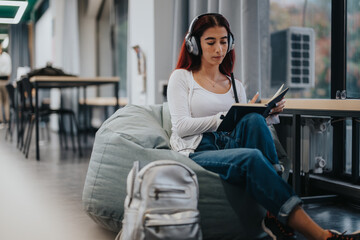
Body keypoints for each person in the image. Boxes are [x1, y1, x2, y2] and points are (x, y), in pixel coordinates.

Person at [167, 13, 360, 240]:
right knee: (250, 157)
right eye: (211, 42)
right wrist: (224, 117)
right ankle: (321, 235)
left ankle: (273, 212)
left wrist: (264, 114)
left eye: (223, 41)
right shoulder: (182, 78)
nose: (219, 49)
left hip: (230, 143)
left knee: (254, 120)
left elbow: (241, 125)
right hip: (199, 148)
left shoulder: (235, 85)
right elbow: (181, 127)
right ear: (194, 44)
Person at [0, 43, 12, 126]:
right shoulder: (6, 56)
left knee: (6, 101)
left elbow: (9, 70)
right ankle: (1, 121)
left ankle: (7, 120)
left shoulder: (6, 56)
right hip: (3, 80)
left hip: (4, 81)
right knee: (1, 102)